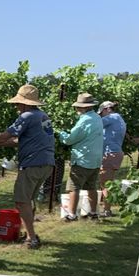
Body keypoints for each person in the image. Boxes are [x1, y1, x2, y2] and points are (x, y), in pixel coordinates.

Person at [0, 84, 55, 249]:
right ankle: (30, 233)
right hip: (47, 163)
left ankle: (31, 238)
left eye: (17, 104)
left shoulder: (27, 116)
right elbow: (20, 141)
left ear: (24, 103)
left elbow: (5, 136)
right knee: (27, 199)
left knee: (21, 201)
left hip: (32, 163)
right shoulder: (42, 116)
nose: (16, 107)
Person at [57, 93, 104, 222]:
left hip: (83, 159)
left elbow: (71, 139)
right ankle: (93, 213)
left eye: (78, 107)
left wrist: (61, 134)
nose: (76, 109)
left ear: (83, 108)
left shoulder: (85, 120)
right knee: (91, 187)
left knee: (74, 187)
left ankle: (72, 215)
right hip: (95, 160)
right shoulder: (97, 117)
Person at [98, 100, 127, 216]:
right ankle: (107, 207)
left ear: (106, 110)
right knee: (107, 182)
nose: (101, 116)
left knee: (105, 184)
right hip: (116, 153)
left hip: (110, 154)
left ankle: (107, 210)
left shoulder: (112, 117)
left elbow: (96, 123)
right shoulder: (118, 118)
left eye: (101, 113)